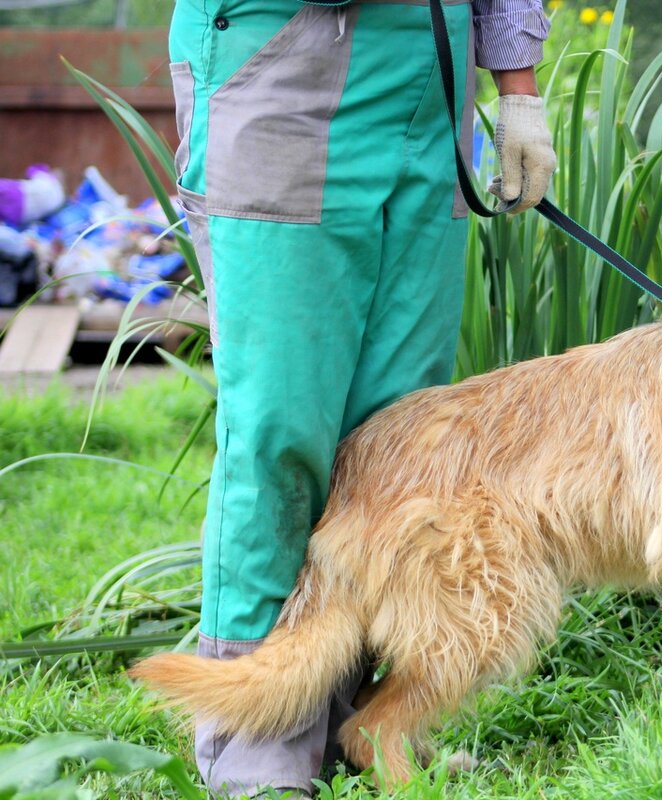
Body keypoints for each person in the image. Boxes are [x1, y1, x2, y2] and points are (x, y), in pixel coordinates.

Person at [165, 0, 556, 794]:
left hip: (431, 72)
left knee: (396, 441)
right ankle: (257, 747)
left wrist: (518, 88)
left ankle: (354, 726)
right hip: (283, 52)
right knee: (282, 425)